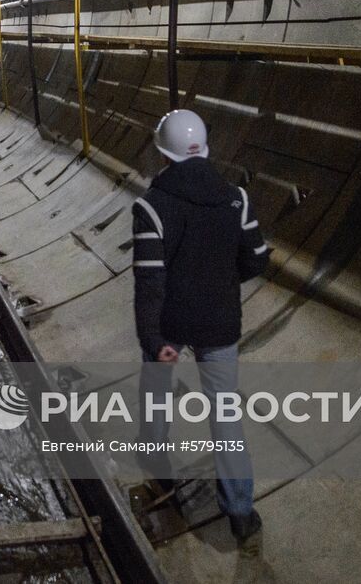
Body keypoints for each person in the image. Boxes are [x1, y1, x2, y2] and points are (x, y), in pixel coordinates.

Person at [132, 108, 269, 542]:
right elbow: (257, 260)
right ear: (204, 149)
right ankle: (240, 513)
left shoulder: (152, 207)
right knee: (225, 414)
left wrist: (153, 339)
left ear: (164, 154)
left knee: (157, 398)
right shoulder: (236, 198)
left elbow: (149, 282)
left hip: (169, 323)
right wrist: (221, 282)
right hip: (220, 320)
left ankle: (158, 469)